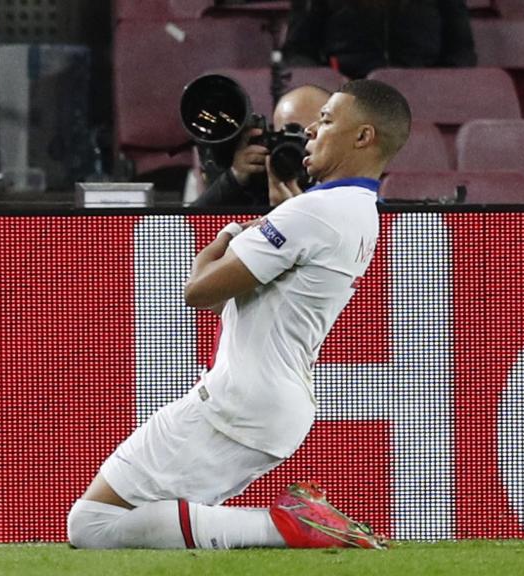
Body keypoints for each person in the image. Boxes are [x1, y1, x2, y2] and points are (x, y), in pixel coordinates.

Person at [67, 78, 412, 550]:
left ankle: (293, 526)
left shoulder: (310, 214)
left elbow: (200, 293)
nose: (311, 130)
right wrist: (276, 218)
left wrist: (227, 235)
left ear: (364, 137)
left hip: (239, 402)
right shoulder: (359, 210)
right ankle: (293, 524)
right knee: (152, 521)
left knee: (92, 523)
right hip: (272, 406)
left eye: (327, 120)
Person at [191, 84, 332, 208]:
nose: (298, 147)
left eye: (310, 135)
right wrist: (234, 178)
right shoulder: (259, 181)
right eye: (287, 135)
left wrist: (292, 215)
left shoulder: (345, 188)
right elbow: (190, 228)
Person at [282, 0, 477, 80]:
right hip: (347, 99)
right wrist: (329, 85)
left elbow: (461, 53)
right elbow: (298, 52)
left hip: (425, 95)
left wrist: (438, 86)